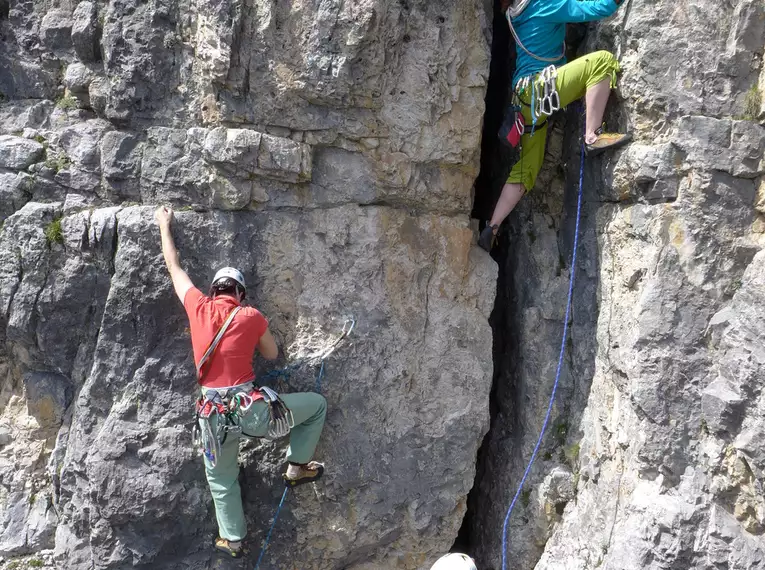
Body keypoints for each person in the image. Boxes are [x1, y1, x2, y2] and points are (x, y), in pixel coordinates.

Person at [155, 206, 327, 558]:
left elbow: (174, 266)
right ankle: (297, 467)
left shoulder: (197, 306)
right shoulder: (249, 315)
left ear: (214, 290)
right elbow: (270, 354)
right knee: (316, 406)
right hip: (252, 412)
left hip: (213, 417)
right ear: (241, 294)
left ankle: (233, 539)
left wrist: (163, 224)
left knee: (221, 479)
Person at [478, 0, 631, 252]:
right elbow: (598, 9)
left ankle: (492, 227)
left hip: (523, 100)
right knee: (601, 61)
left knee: (527, 168)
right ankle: (592, 135)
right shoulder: (543, 4)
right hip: (542, 89)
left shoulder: (514, 13)